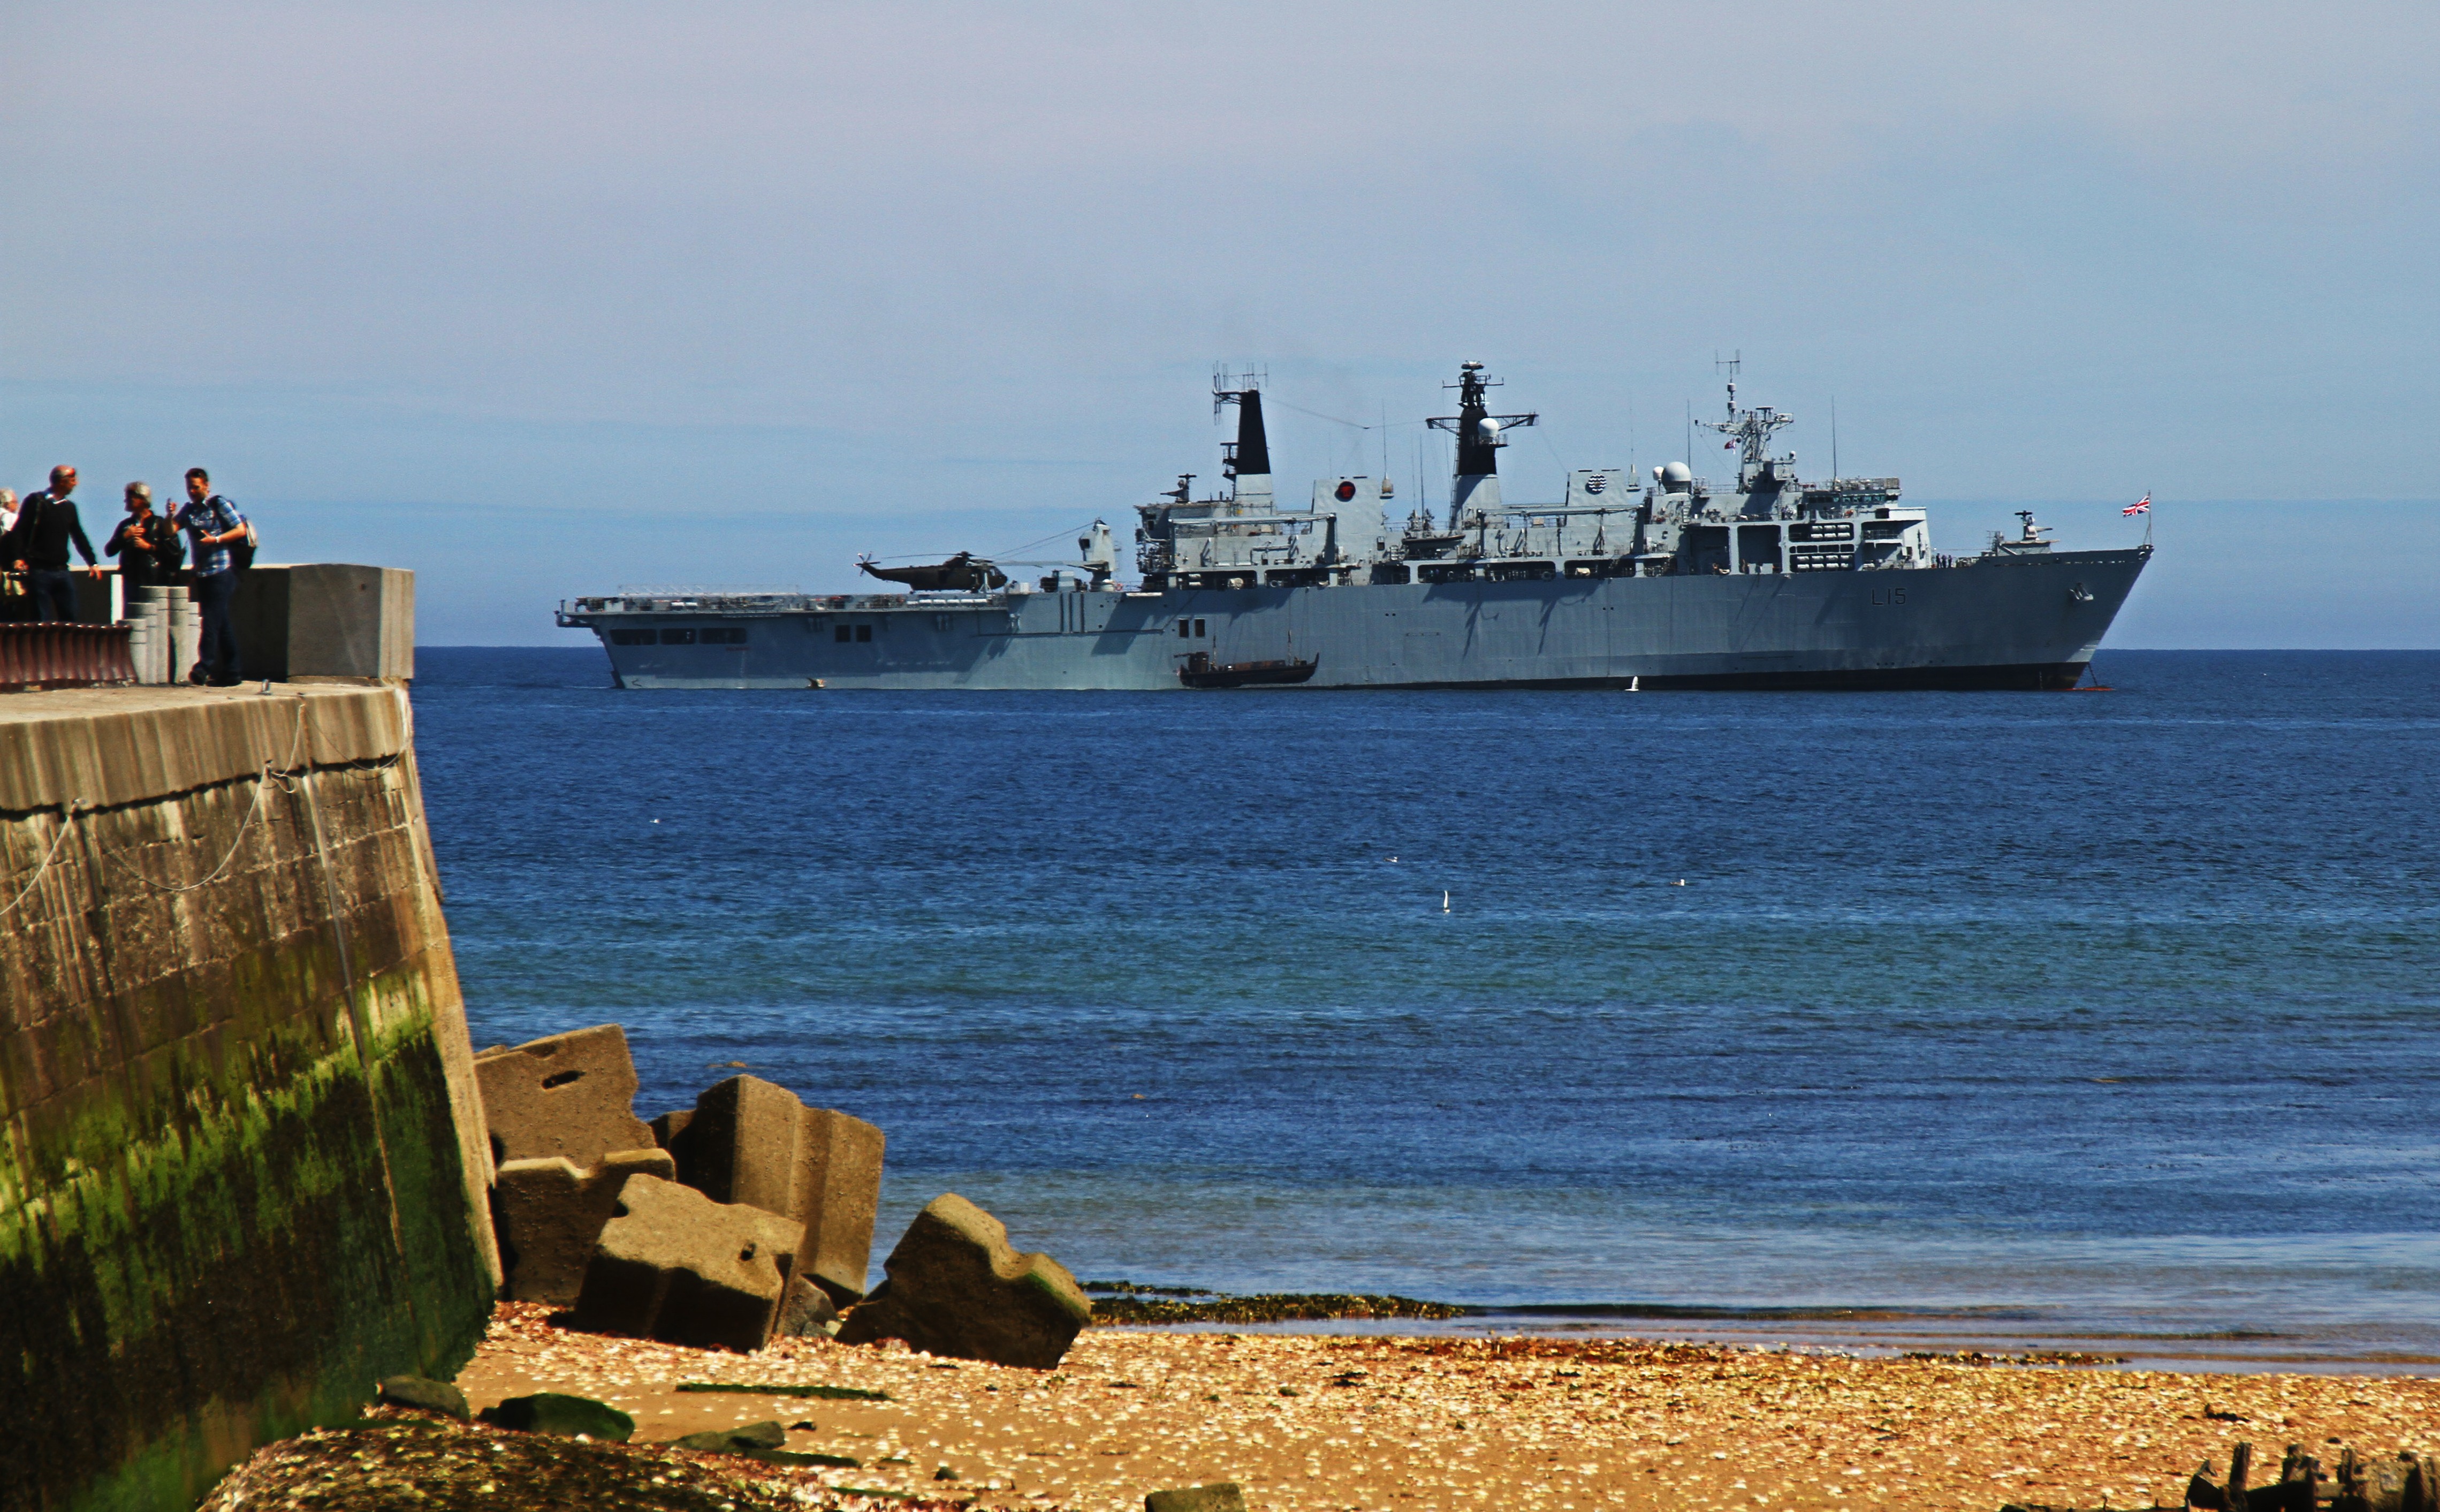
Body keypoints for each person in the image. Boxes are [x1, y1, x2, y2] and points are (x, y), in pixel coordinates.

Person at [173, 467, 248, 685]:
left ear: (206, 486)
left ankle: (203, 666)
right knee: (222, 624)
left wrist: (215, 540)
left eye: (196, 487)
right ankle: (233, 672)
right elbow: (171, 530)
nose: (192, 492)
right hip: (203, 574)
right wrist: (170, 516)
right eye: (189, 488)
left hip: (222, 571)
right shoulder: (189, 510)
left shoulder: (219, 504)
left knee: (211, 622)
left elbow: (240, 529)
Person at [7, 466, 103, 622]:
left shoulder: (69, 508)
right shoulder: (36, 502)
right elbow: (19, 532)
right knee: (41, 619)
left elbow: (78, 536)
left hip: (62, 571)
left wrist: (92, 562)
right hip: (39, 571)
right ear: (61, 482)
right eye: (72, 480)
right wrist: (17, 558)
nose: (76, 483)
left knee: (70, 616)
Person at [106, 482, 184, 587]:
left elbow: (173, 553)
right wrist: (125, 536)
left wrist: (149, 547)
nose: (126, 500)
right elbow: (109, 550)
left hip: (155, 581)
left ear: (142, 499)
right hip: (131, 582)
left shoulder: (159, 523)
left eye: (130, 497)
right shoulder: (126, 525)